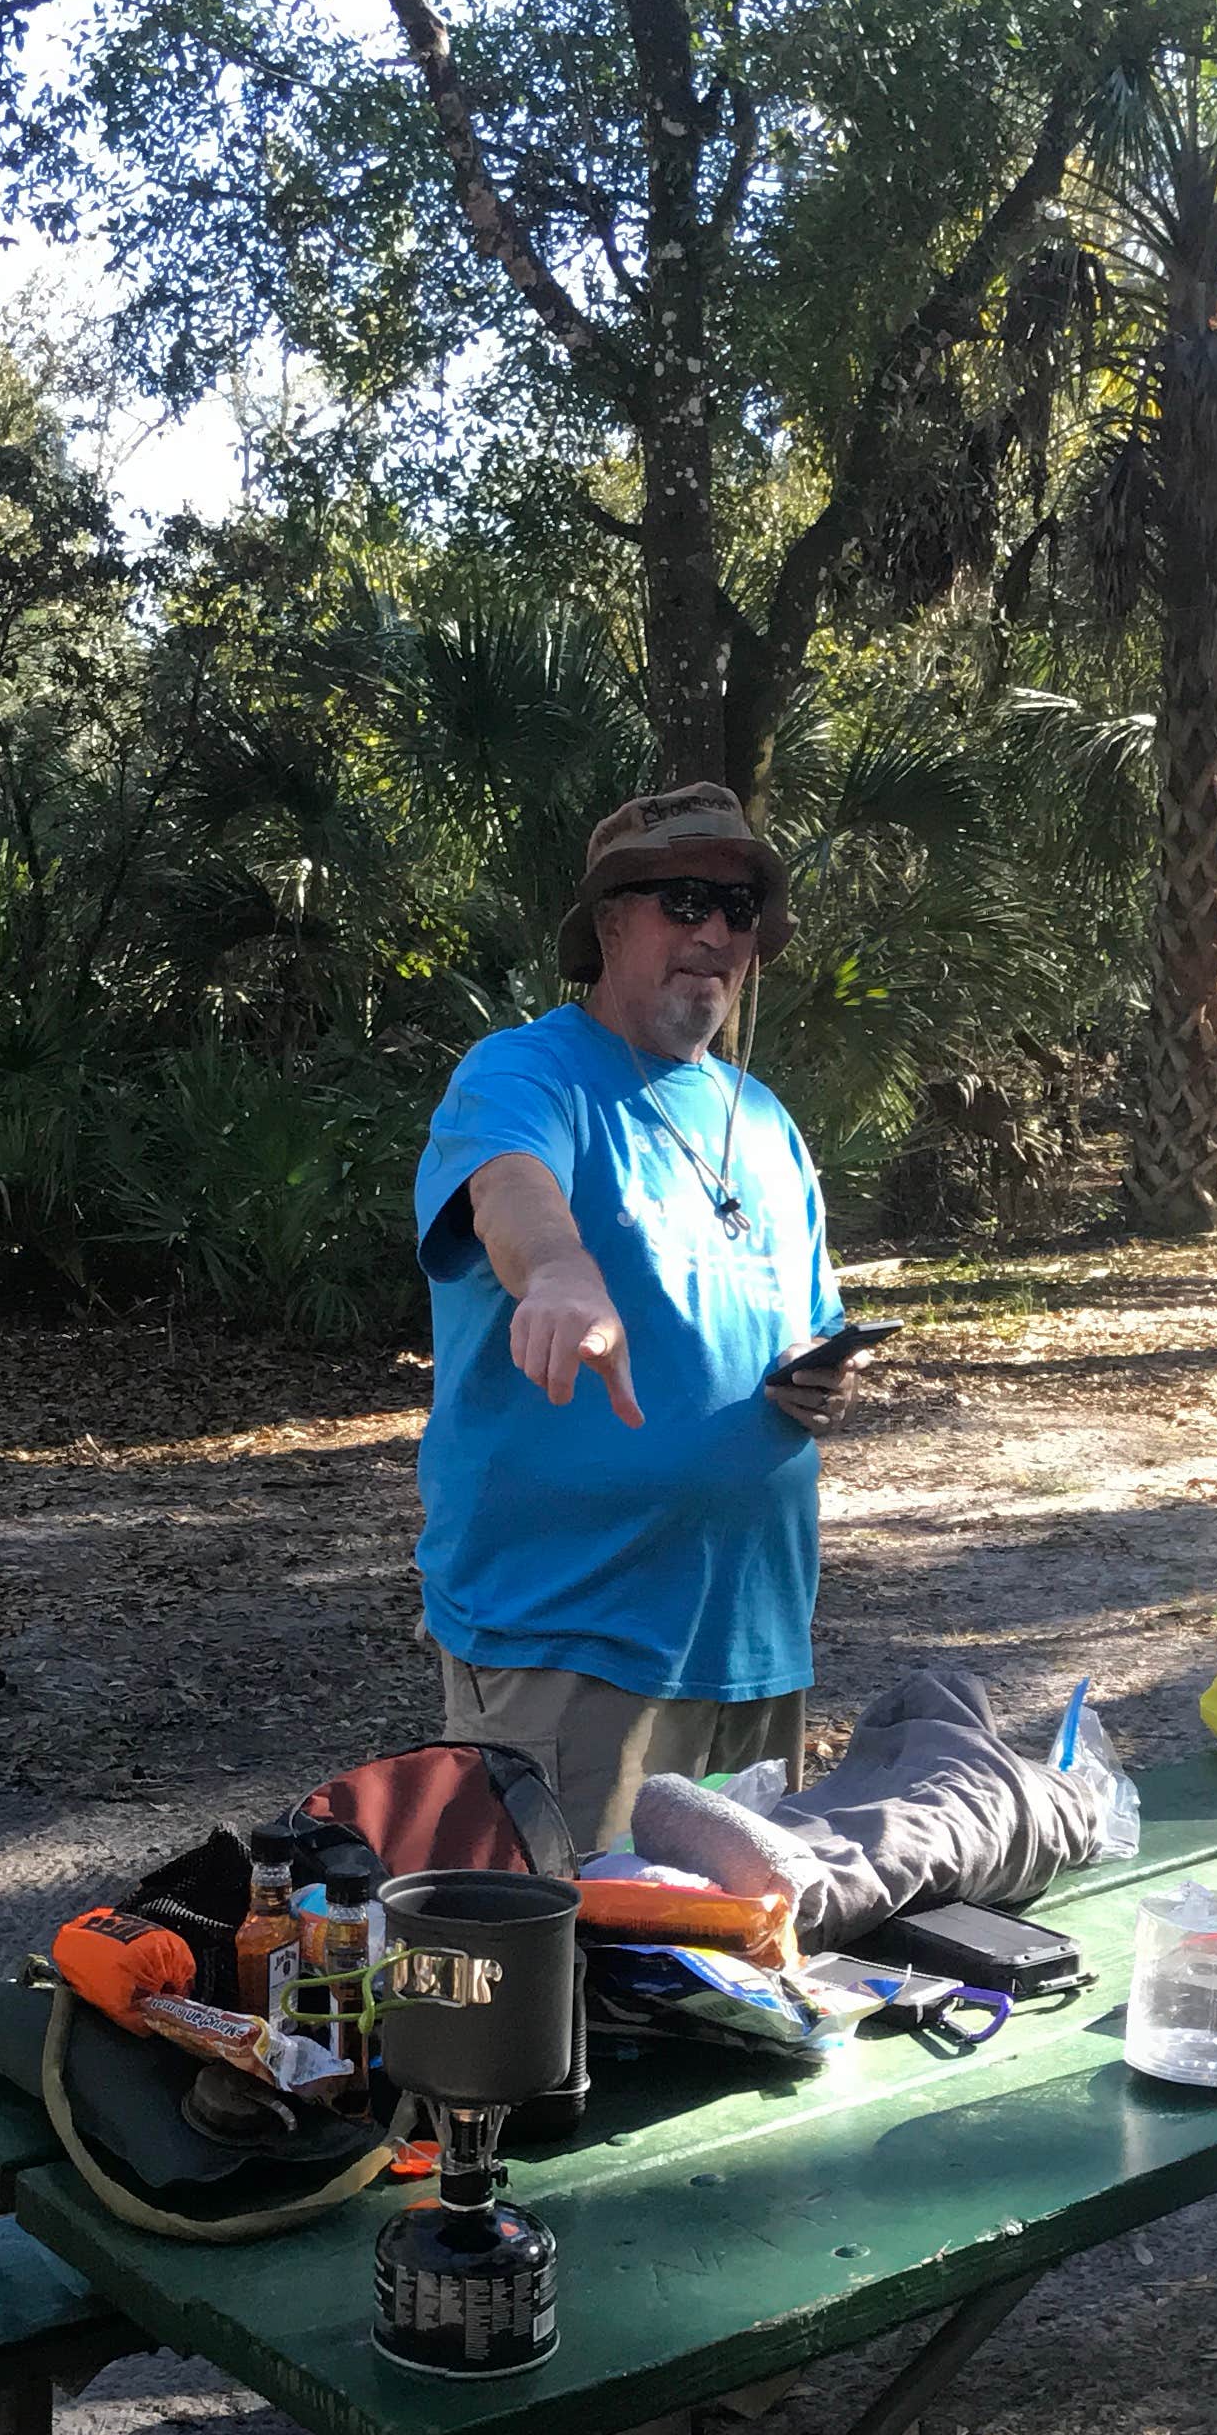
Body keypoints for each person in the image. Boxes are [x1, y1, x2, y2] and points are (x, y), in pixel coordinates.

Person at [419, 783, 866, 1854]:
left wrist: (816, 1378)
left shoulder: (762, 1119)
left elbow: (806, 1326)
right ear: (609, 919)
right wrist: (562, 1273)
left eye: (740, 908)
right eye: (682, 900)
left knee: (734, 1970)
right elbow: (510, 1190)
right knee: (567, 1979)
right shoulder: (528, 1070)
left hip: (753, 1645)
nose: (714, 932)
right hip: (570, 1645)